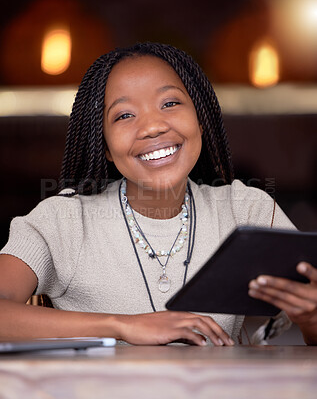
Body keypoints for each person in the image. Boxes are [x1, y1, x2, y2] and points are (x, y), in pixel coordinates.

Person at [0, 42, 316, 346]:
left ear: (200, 119)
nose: (152, 127)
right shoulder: (64, 220)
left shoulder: (245, 210)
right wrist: (121, 326)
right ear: (105, 147)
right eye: (124, 115)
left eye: (170, 103)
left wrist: (311, 316)